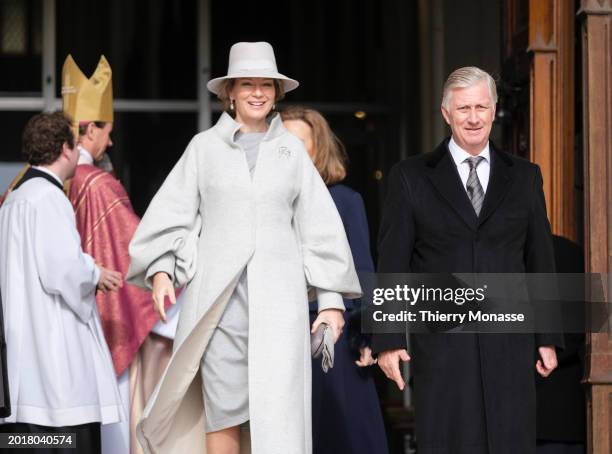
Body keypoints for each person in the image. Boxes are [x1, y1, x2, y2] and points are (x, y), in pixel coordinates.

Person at [127, 42, 361, 454]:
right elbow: (171, 216)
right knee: (223, 415)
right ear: (229, 92)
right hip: (219, 312)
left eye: (265, 84)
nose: (257, 92)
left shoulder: (292, 152)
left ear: (276, 92)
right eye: (247, 84)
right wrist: (162, 270)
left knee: (278, 421)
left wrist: (329, 302)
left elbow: (318, 230)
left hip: (280, 313)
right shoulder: (203, 149)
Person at [372, 66, 563, 454]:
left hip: (509, 344)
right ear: (446, 113)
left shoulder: (525, 177)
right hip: (443, 349)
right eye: (463, 109)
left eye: (481, 107)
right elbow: (392, 263)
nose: (473, 118)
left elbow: (539, 259)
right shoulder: (410, 177)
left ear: (494, 110)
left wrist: (549, 337)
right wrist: (388, 341)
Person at [61, 54, 174, 454]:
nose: (110, 141)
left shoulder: (32, 181)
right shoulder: (97, 184)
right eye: (106, 132)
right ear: (89, 129)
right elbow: (137, 251)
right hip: (103, 325)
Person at [0, 112, 123, 453]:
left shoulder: (14, 199)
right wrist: (96, 272)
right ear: (67, 149)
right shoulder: (49, 198)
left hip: (23, 360)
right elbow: (61, 270)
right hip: (54, 360)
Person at [281, 106, 389, 454]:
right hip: (278, 338)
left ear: (318, 149)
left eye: (300, 143)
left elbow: (362, 271)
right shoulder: (262, 203)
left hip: (333, 334)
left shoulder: (344, 201)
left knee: (340, 435)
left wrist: (369, 333)